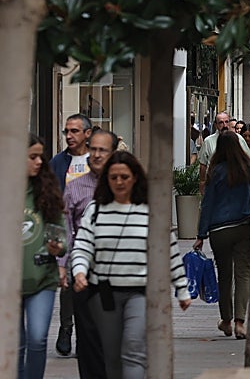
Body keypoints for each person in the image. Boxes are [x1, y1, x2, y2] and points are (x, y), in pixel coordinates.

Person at [71, 152, 191, 379]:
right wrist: (79, 272)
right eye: (113, 177)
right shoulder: (96, 211)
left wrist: (182, 289)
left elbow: (169, 251)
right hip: (104, 292)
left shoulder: (150, 212)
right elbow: (82, 246)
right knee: (111, 354)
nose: (119, 182)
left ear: (135, 178)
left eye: (124, 177)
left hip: (140, 292)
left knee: (134, 350)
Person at [61, 129, 116, 379]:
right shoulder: (74, 188)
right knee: (88, 337)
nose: (95, 154)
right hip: (84, 274)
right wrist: (64, 265)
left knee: (114, 337)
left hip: (118, 276)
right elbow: (66, 230)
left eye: (102, 150)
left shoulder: (124, 184)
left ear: (113, 153)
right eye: (92, 149)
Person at [194, 132, 250, 340]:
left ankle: (226, 321)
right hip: (243, 226)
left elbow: (208, 203)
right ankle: (240, 322)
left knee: (225, 276)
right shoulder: (249, 169)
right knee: (243, 274)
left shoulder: (216, 171)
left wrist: (201, 234)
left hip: (219, 230)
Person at [22, 134, 67, 379]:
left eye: (41, 156)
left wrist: (57, 247)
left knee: (37, 338)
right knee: (14, 344)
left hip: (42, 279)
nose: (39, 162)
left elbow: (60, 235)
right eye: (32, 157)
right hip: (8, 283)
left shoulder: (47, 192)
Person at [49, 113, 91, 358]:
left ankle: (87, 333)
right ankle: (66, 328)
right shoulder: (58, 163)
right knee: (68, 286)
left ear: (87, 133)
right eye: (67, 131)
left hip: (95, 233)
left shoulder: (96, 160)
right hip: (68, 232)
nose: (69, 136)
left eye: (75, 131)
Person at [197, 112, 250, 194]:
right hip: (216, 185)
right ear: (216, 125)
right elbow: (203, 164)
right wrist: (202, 183)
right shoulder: (208, 141)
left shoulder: (239, 139)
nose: (224, 125)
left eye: (226, 122)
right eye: (221, 122)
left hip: (236, 184)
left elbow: (248, 159)